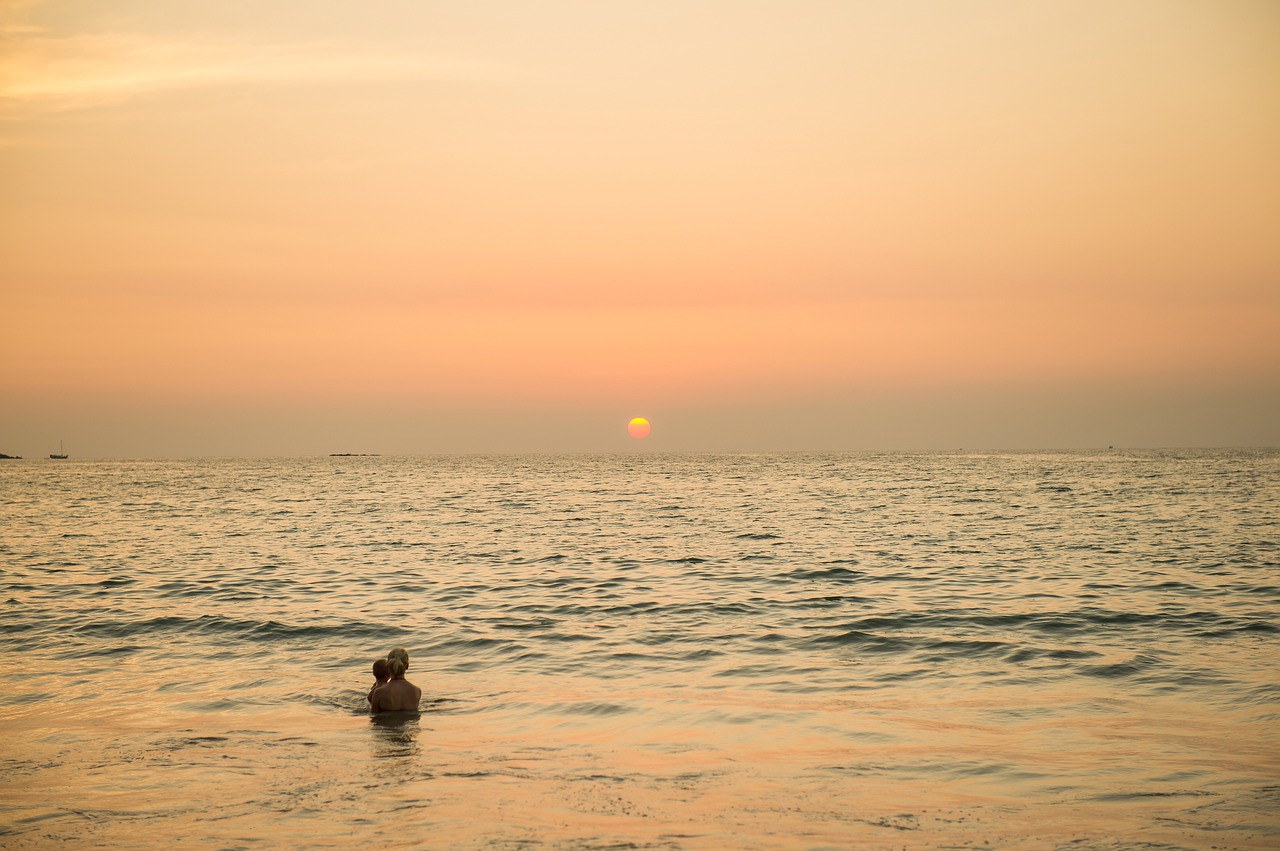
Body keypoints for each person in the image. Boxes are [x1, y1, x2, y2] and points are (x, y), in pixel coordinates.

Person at [370, 648, 421, 713]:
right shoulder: (417, 691)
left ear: (388, 666)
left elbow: (373, 719)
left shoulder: (379, 692)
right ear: (407, 666)